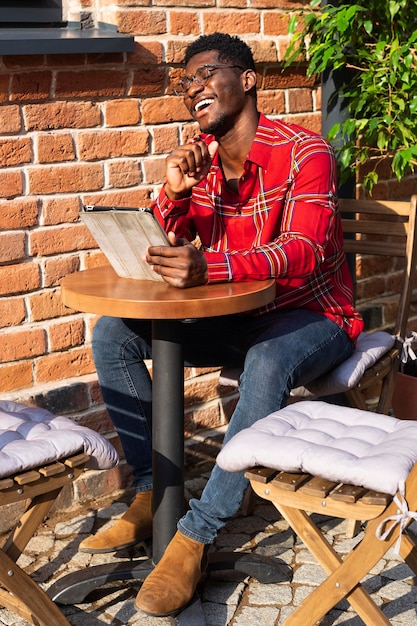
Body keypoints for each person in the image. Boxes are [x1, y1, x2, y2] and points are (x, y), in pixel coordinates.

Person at [79, 32, 364, 616]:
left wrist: (210, 266)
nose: (194, 89)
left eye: (206, 74)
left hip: (313, 316)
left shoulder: (305, 151)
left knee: (266, 362)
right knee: (113, 331)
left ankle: (194, 537)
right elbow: (158, 252)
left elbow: (303, 249)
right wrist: (172, 193)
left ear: (249, 79)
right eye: (186, 83)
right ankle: (148, 493)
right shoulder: (202, 166)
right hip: (236, 316)